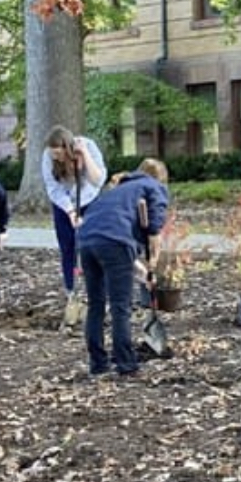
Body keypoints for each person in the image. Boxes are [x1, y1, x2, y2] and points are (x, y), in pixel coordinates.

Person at [76, 157, 170, 378]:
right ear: (160, 179)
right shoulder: (152, 186)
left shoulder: (114, 192)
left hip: (87, 242)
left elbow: (116, 245)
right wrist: (154, 260)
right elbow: (155, 229)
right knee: (120, 307)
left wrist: (144, 273)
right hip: (114, 244)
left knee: (96, 305)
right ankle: (126, 364)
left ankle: (98, 364)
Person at [41, 125, 108, 296]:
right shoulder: (48, 157)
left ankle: (98, 288)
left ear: (67, 148)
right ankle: (72, 290)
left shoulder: (88, 146)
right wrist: (70, 211)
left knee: (93, 245)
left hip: (90, 201)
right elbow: (53, 188)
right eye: (52, 153)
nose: (55, 157)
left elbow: (97, 181)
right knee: (68, 247)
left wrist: (85, 154)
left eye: (58, 153)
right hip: (63, 205)